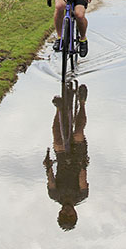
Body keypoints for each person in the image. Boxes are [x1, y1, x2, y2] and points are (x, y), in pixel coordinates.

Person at [44, 83, 89, 230]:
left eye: (64, 215)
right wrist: (82, 164)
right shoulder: (81, 196)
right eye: (70, 216)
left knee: (57, 141)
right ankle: (82, 102)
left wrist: (48, 166)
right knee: (78, 134)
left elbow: (51, 179)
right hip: (78, 159)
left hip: (63, 159)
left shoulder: (54, 194)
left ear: (59, 213)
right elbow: (82, 178)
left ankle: (58, 109)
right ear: (75, 214)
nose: (67, 212)